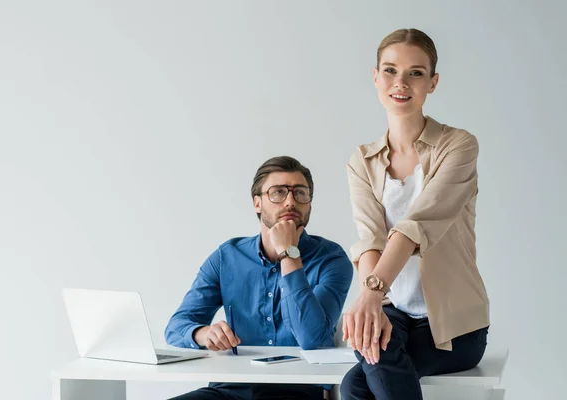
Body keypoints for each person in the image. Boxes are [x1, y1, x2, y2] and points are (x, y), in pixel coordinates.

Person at [341, 28, 490, 400]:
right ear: (375, 77)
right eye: (390, 71)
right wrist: (371, 301)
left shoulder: (458, 146)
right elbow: (370, 238)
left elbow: (417, 226)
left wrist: (371, 293)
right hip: (393, 312)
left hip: (454, 327)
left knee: (356, 385)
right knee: (356, 379)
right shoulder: (362, 160)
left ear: (432, 82)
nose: (401, 83)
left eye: (416, 73)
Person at [165, 156, 353, 400]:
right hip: (229, 391)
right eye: (278, 192)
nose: (290, 201)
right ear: (257, 203)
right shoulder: (227, 257)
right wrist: (204, 333)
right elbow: (177, 326)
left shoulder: (331, 259)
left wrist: (288, 254)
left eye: (300, 193)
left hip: (298, 393)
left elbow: (313, 340)